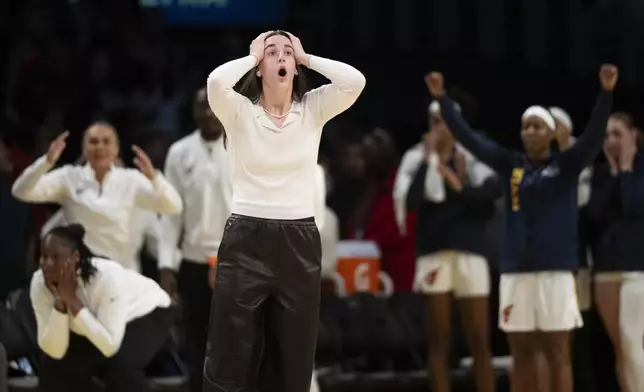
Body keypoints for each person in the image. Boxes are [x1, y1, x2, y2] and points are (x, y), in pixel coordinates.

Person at [425, 65, 617, 392]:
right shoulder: (509, 164)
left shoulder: (566, 164)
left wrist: (606, 93)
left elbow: (594, 135)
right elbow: (469, 139)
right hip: (516, 272)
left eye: (536, 126)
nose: (528, 131)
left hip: (556, 271)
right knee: (521, 353)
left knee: (558, 352)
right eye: (525, 126)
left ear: (551, 133)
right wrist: (442, 100)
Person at [204, 30, 365, 392]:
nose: (279, 58)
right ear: (260, 67)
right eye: (271, 52)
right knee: (230, 351)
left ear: (295, 66)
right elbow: (216, 81)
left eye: (286, 53)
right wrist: (250, 56)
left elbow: (356, 81)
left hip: (299, 240)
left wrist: (308, 57)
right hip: (246, 237)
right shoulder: (240, 111)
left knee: (293, 357)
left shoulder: (313, 108)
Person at [398, 100, 500, 392]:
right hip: (433, 253)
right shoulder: (415, 157)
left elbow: (488, 203)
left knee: (480, 339)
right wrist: (429, 160)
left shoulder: (474, 155)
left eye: (446, 121)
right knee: (438, 340)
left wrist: (463, 181)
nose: (439, 127)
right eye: (435, 121)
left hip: (471, 251)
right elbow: (412, 202)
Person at [11, 122, 183, 271]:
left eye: (106, 142)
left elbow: (174, 206)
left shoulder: (132, 180)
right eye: (93, 142)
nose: (100, 147)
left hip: (124, 273)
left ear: (116, 149)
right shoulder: (69, 177)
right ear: (84, 148)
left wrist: (154, 177)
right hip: (81, 273)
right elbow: (20, 191)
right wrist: (46, 162)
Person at [32, 224, 172, 392]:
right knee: (52, 367)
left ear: (75, 256)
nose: (47, 263)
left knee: (120, 365)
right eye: (44, 256)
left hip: (147, 310)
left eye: (56, 257)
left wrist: (73, 301)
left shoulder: (105, 277)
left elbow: (109, 345)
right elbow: (55, 351)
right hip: (96, 325)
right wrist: (60, 304)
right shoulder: (39, 283)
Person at [157, 87, 232, 392]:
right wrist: (166, 266)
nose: (208, 113)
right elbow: (171, 213)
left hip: (235, 260)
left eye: (213, 106)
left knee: (235, 338)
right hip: (193, 261)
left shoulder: (242, 147)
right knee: (196, 338)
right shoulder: (179, 152)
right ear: (193, 112)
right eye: (202, 107)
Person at [588, 112, 644, 392]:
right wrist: (612, 172)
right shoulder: (600, 174)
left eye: (617, 134)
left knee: (634, 342)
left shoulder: (640, 171)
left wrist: (625, 169)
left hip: (636, 269)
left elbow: (634, 204)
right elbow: (596, 215)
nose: (610, 140)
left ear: (634, 136)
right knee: (621, 348)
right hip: (606, 269)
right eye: (607, 135)